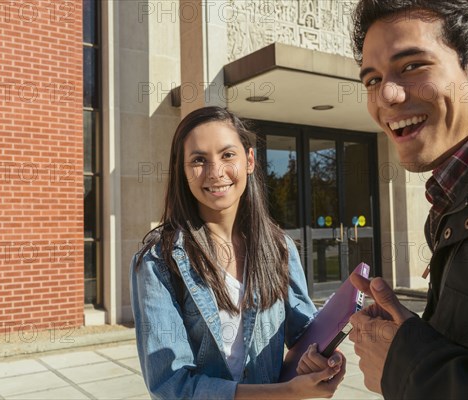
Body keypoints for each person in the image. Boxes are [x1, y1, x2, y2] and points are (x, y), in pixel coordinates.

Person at [347, 0, 468, 398]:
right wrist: (410, 338)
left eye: (413, 66)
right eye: (372, 80)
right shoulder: (465, 194)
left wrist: (409, 369)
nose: (387, 97)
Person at [130, 106, 345, 399]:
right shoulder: (159, 261)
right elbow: (171, 387)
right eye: (198, 160)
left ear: (250, 160)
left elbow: (304, 335)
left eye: (227, 155)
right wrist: (285, 393)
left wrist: (328, 358)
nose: (216, 172)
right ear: (182, 170)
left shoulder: (278, 247)